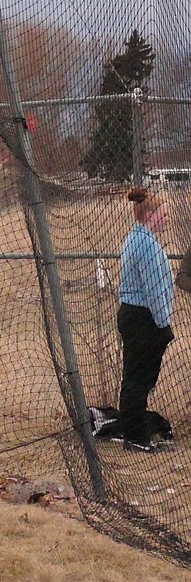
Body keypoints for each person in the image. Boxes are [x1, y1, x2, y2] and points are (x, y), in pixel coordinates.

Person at [116, 187, 175, 452]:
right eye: (164, 213)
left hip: (134, 315)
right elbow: (154, 290)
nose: (167, 218)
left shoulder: (136, 239)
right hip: (144, 319)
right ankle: (137, 439)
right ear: (150, 214)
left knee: (133, 378)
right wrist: (163, 324)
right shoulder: (146, 244)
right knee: (139, 380)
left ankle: (131, 431)